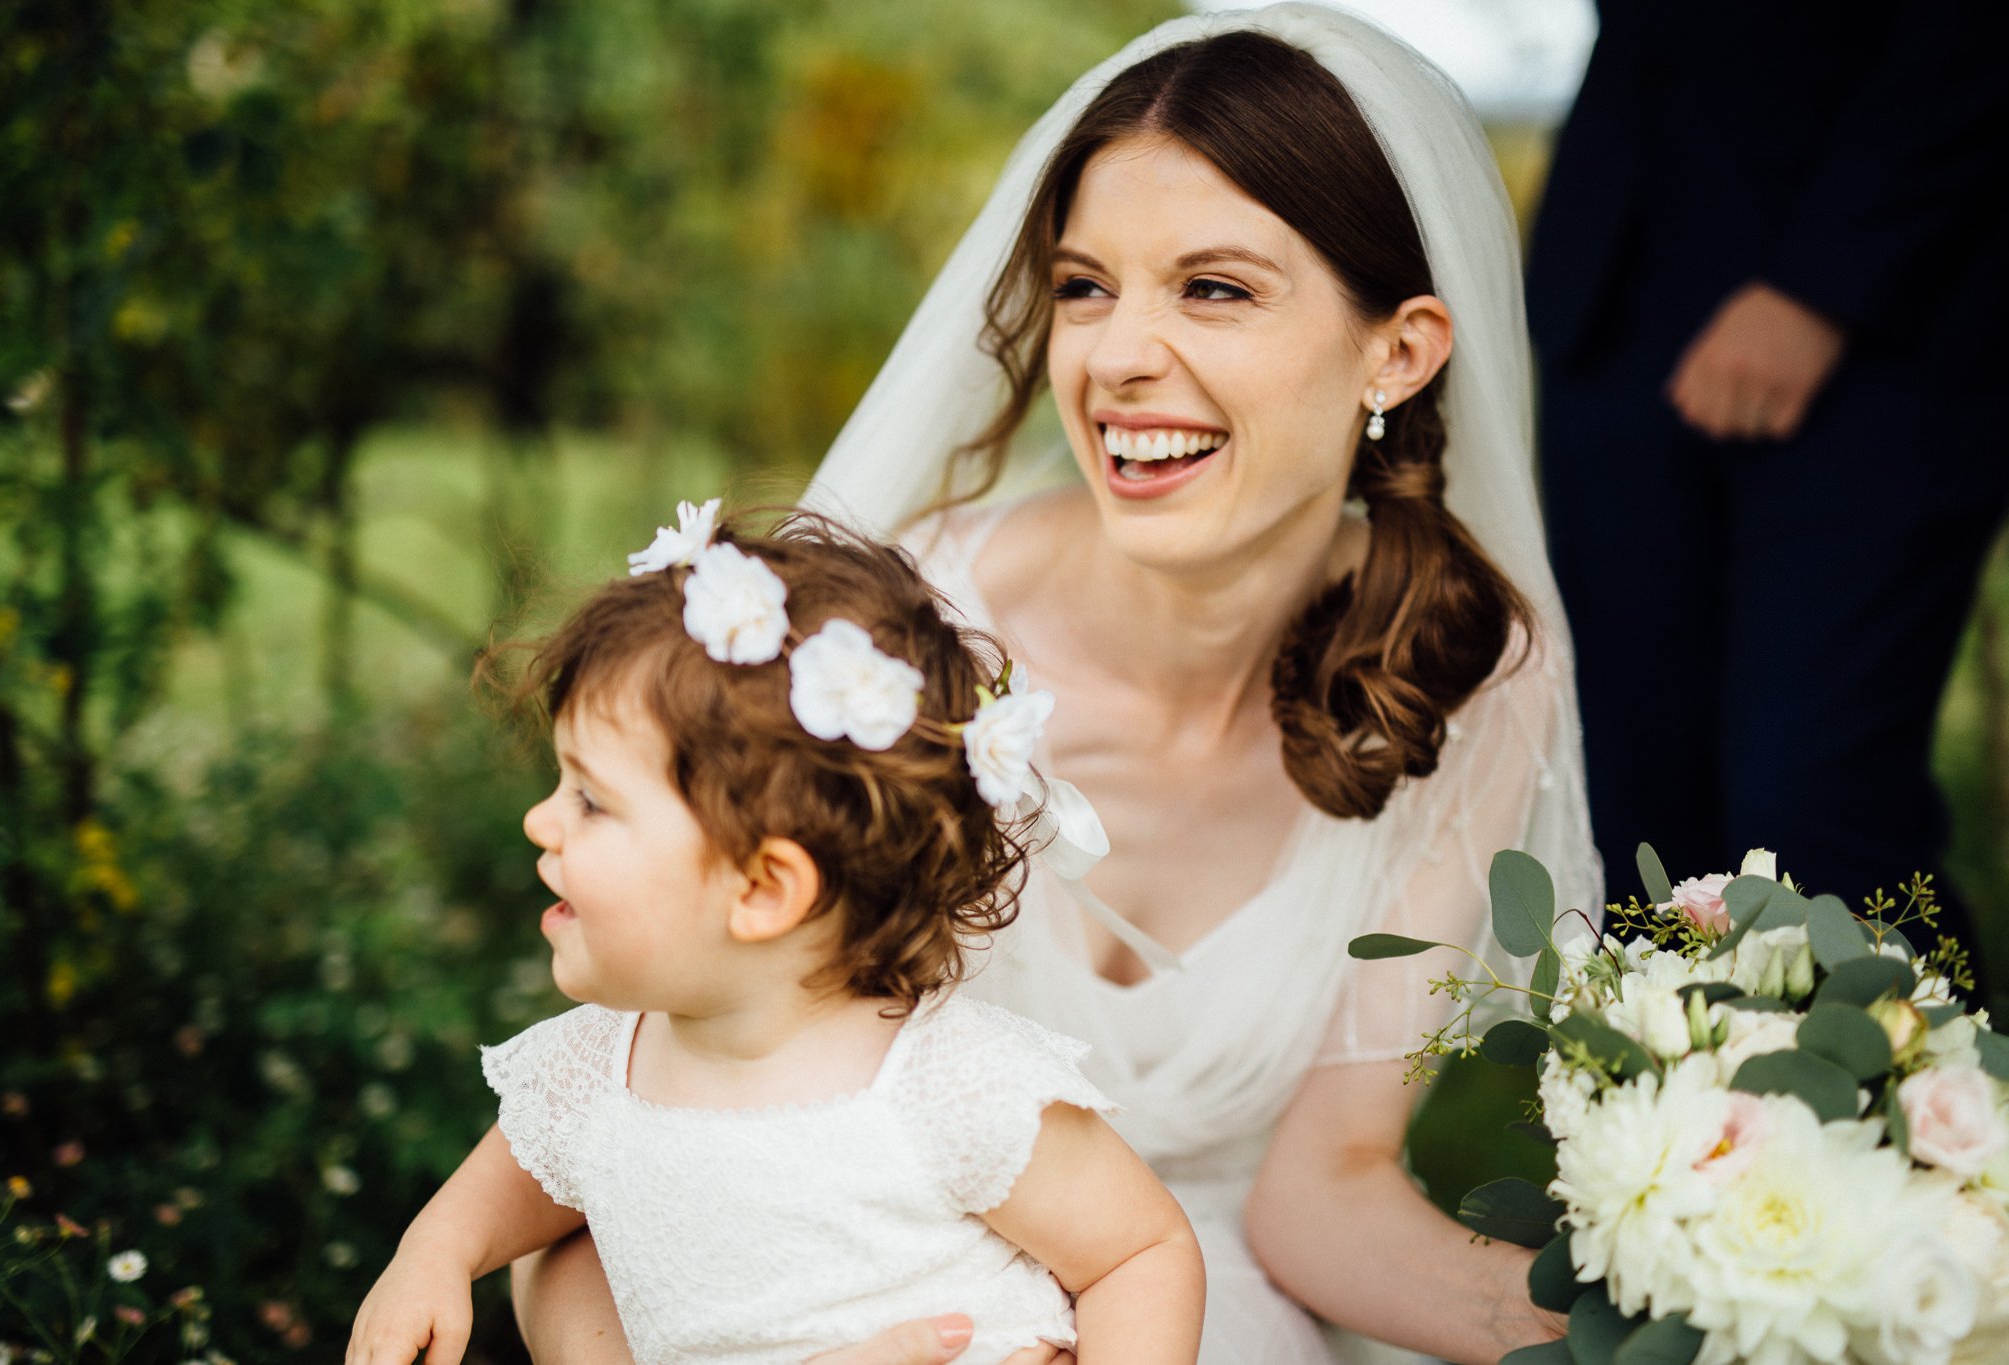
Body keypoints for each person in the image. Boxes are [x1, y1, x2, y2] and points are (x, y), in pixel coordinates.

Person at [515, 6, 1601, 1363]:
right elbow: (605, 1154)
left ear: (1399, 349)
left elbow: (1322, 1198)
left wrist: (1665, 1323)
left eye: (1214, 288)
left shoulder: (1470, 684)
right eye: (1086, 287)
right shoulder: (879, 654)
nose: (1115, 357)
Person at [347, 506, 1205, 1364]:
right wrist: (435, 1255)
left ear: (761, 888)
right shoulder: (600, 1070)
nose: (541, 820)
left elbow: (1141, 1252)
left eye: (591, 799)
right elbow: (512, 1185)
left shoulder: (944, 1090)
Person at [1528, 0, 2009, 989]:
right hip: (1614, 290)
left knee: (1814, 816)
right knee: (1630, 822)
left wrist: (1824, 286)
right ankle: (1649, 1135)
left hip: (1875, 328)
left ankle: (1905, 1138)